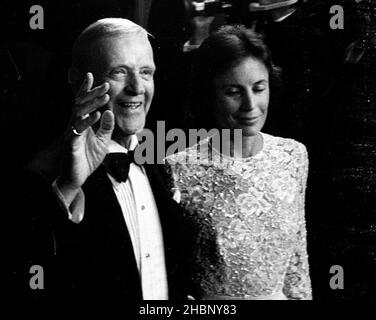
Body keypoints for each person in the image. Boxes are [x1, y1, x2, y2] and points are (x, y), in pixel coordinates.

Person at [7, 18, 193, 303]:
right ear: (77, 81)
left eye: (146, 72)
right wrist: (68, 185)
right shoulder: (38, 177)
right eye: (118, 72)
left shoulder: (161, 163)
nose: (136, 87)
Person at [166, 25, 312, 300]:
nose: (250, 105)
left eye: (259, 88)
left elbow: (297, 265)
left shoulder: (293, 156)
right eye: (233, 92)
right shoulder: (177, 168)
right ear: (209, 94)